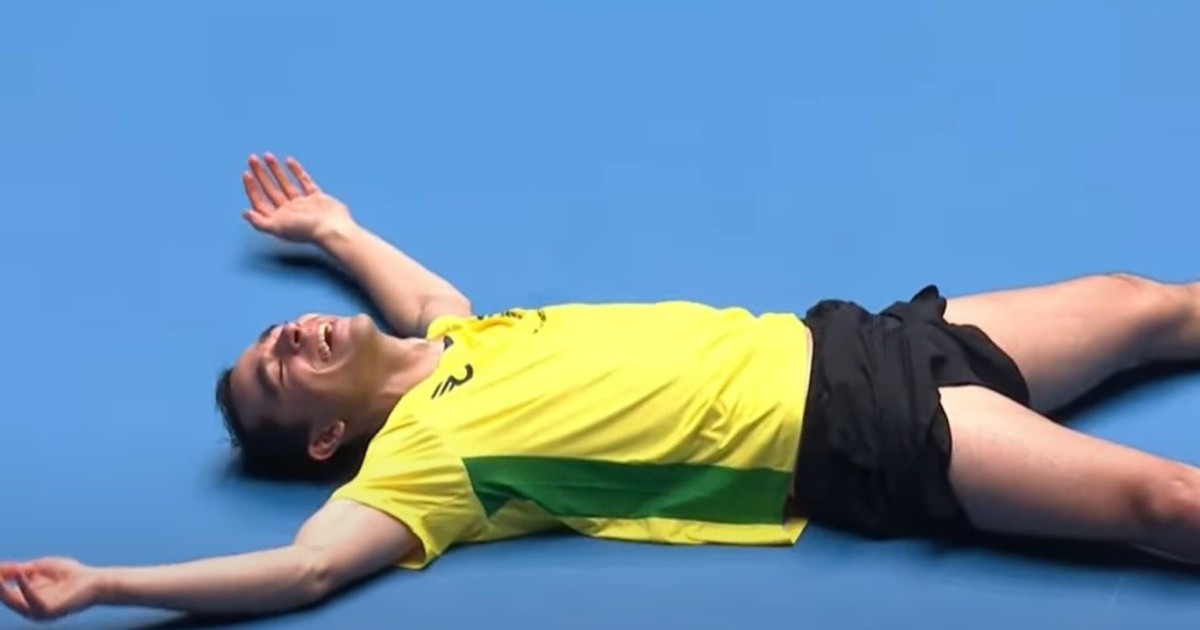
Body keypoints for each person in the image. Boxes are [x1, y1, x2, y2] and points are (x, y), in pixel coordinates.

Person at [4, 153, 1200, 623]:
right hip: (855, 433)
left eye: (275, 332)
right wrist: (111, 582)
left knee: (1147, 302)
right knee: (1170, 506)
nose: (289, 334)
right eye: (278, 369)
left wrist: (335, 228)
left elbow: (421, 292)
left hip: (857, 339)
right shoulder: (427, 464)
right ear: (325, 442)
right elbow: (305, 569)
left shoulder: (465, 340)